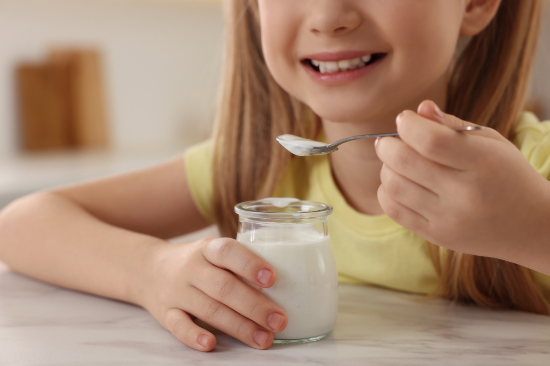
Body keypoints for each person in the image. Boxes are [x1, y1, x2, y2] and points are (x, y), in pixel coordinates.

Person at [1, 0, 549, 353]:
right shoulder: (258, 164)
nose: (329, 14)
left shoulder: (531, 173)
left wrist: (530, 224)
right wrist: (152, 270)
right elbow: (20, 226)